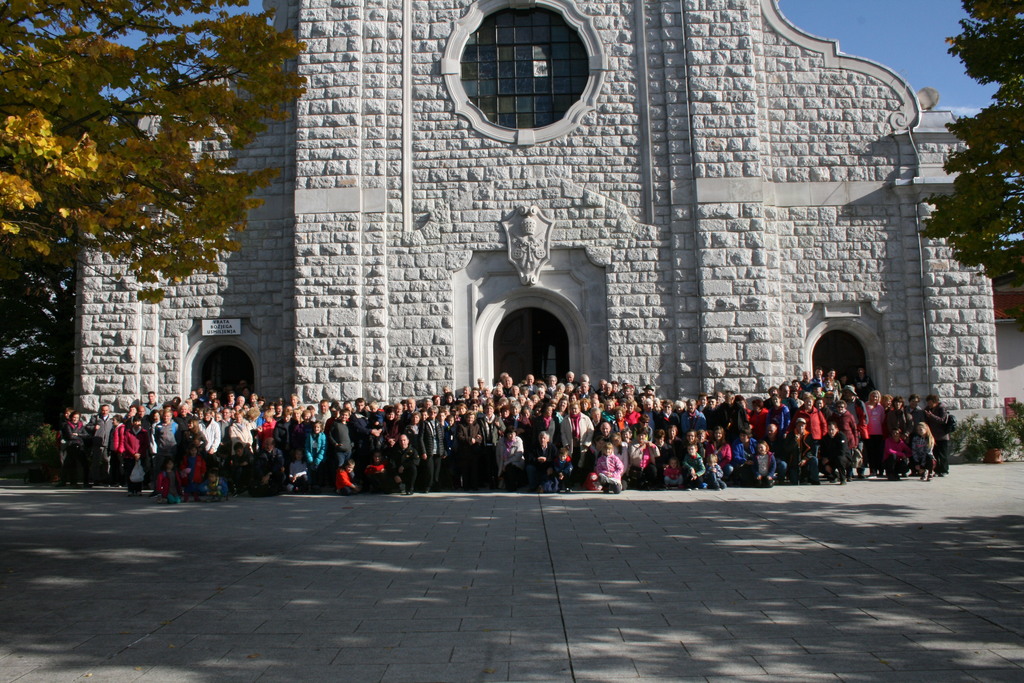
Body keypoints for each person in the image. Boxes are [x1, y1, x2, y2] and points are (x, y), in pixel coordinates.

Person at [60, 411, 90, 488]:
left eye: (77, 418)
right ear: (71, 417)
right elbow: (70, 436)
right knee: (71, 464)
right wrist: (80, 437)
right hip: (71, 446)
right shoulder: (67, 425)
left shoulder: (81, 425)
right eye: (74, 417)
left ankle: (86, 482)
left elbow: (87, 435)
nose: (75, 419)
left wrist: (77, 434)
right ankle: (72, 482)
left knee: (85, 464)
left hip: (80, 446)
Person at [923, 394, 952, 477]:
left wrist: (931, 416)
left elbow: (943, 420)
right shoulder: (928, 409)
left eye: (930, 402)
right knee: (934, 454)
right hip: (933, 436)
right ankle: (936, 470)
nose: (929, 404)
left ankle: (944, 470)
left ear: (935, 402)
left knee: (942, 455)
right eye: (928, 403)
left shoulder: (942, 408)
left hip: (942, 436)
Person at [496, 427, 526, 492]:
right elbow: (498, 456)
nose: (512, 436)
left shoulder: (518, 441)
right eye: (510, 434)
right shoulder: (501, 442)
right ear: (506, 434)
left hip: (516, 462)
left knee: (510, 467)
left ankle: (512, 486)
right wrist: (501, 465)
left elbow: (518, 456)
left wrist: (506, 463)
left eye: (514, 434)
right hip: (503, 462)